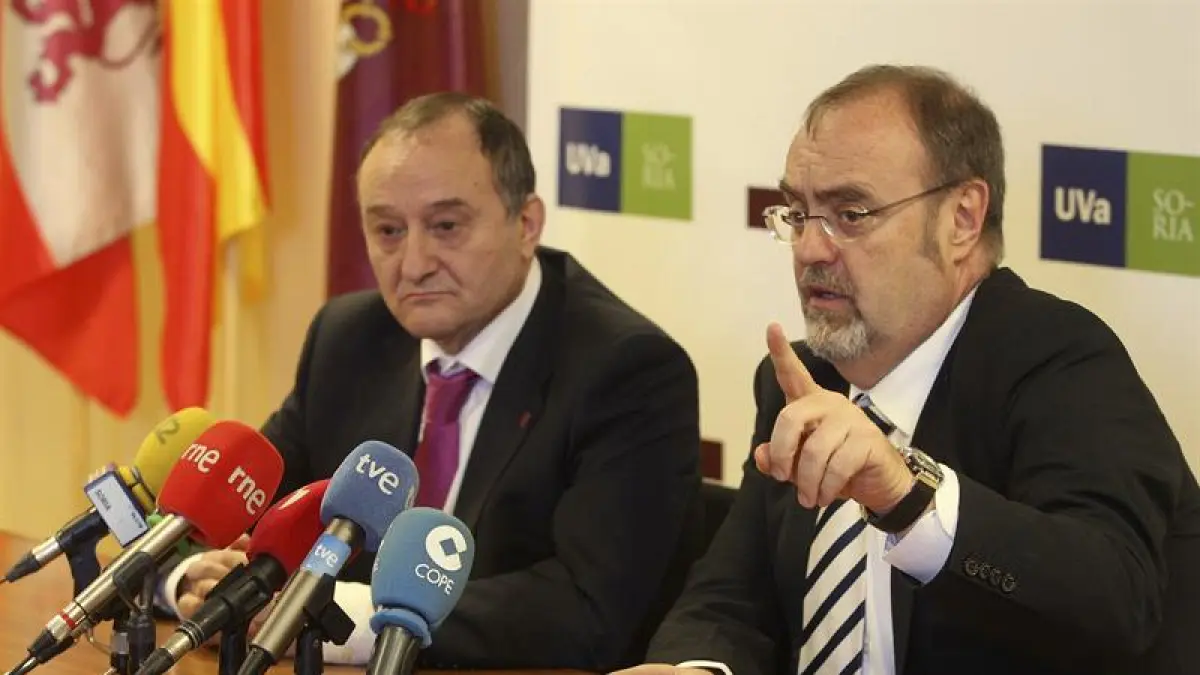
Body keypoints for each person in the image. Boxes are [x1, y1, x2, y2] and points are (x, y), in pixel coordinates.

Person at [620, 65, 1200, 675]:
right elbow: (732, 600)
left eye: (851, 213)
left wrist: (907, 496)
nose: (811, 248)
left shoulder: (1060, 364)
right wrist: (692, 669)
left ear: (961, 219)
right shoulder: (803, 379)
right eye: (797, 212)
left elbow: (1116, 600)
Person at [158, 92, 704, 670]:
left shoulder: (628, 371)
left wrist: (335, 615)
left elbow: (586, 609)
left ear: (526, 224)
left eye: (446, 226)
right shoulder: (350, 339)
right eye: (388, 230)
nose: (414, 264)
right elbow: (230, 511)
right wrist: (194, 577)